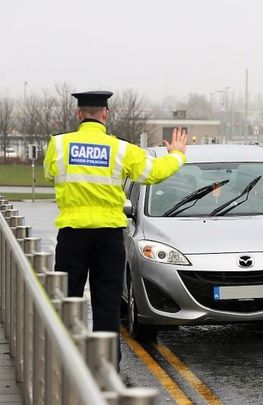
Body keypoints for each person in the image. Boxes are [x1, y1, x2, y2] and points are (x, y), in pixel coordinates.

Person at [43, 90, 188, 364]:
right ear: (105, 115)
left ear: (78, 114)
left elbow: (50, 172)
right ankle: (106, 365)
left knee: (66, 302)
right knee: (106, 303)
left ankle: (63, 362)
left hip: (72, 236)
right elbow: (153, 173)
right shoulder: (121, 149)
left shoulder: (58, 145)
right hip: (108, 238)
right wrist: (177, 156)